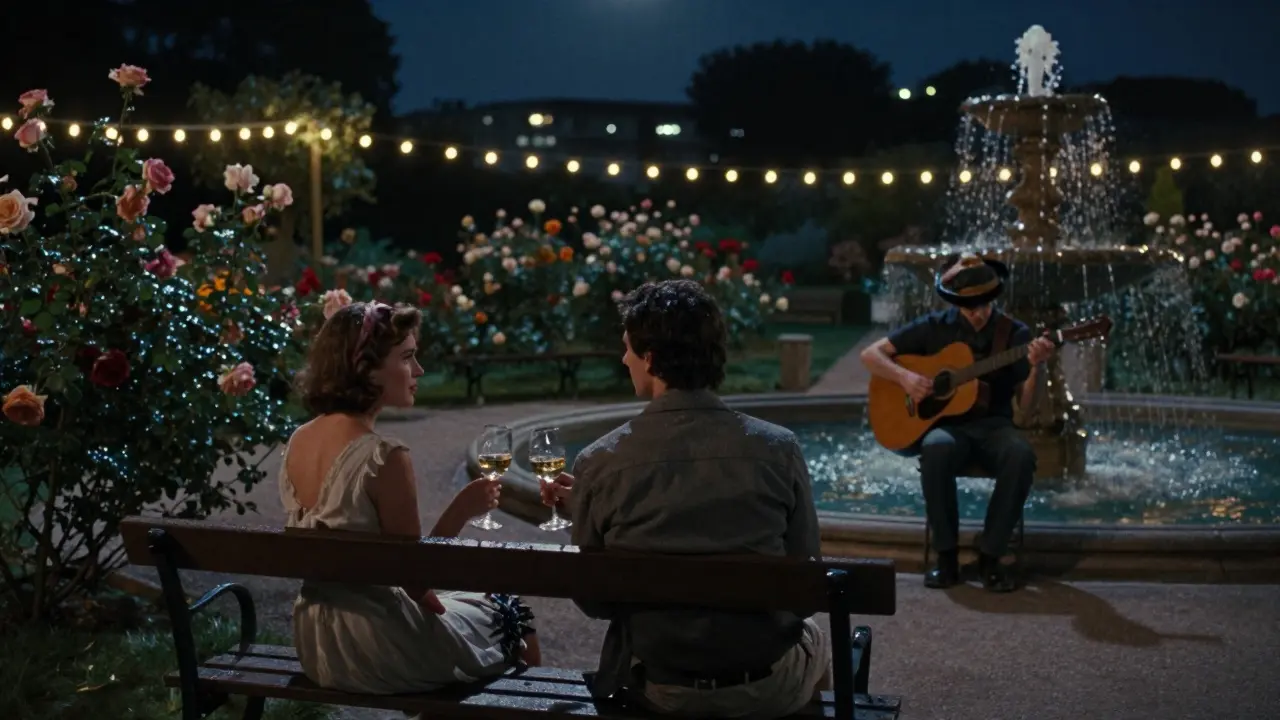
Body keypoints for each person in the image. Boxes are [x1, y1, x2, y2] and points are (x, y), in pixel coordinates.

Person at [541, 279, 830, 719]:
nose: (624, 359)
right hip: (763, 685)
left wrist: (583, 507)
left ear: (651, 359)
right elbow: (804, 587)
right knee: (818, 633)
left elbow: (597, 603)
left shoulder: (600, 461)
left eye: (628, 349)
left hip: (662, 688)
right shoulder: (778, 447)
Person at [281, 301, 539, 694]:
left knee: (481, 608)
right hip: (378, 646)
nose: (418, 371)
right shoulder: (383, 455)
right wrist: (462, 509)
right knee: (514, 616)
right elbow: (418, 578)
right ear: (366, 368)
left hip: (318, 642)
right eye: (407, 358)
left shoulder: (299, 440)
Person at [859, 253, 1055, 593]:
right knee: (935, 448)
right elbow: (870, 355)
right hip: (949, 428)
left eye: (985, 304)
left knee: (1021, 455)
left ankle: (991, 556)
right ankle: (946, 557)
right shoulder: (934, 327)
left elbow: (1026, 408)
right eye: (970, 306)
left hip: (995, 426)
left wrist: (1038, 367)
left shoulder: (1014, 333)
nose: (979, 312)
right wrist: (905, 378)